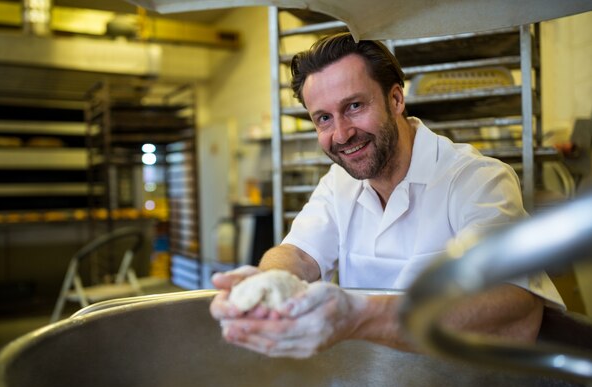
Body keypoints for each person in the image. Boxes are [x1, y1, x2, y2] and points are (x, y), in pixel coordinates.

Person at [210, 32, 564, 358]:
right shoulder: (338, 183)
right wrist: (269, 281)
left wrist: (360, 317)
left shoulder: (475, 179)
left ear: (395, 99)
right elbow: (299, 255)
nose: (342, 134)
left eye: (354, 107)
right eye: (323, 119)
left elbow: (510, 299)